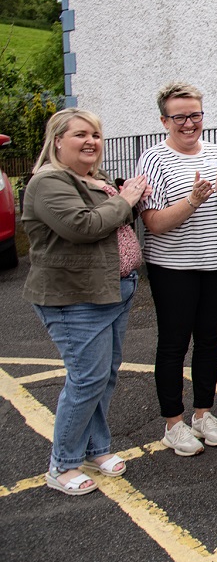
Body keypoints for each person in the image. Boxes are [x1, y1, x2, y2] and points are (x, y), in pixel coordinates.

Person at [23, 109, 150, 494]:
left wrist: (129, 199)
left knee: (104, 375)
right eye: (80, 134)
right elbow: (84, 226)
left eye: (96, 134)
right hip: (74, 297)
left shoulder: (90, 179)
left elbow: (116, 222)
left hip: (113, 290)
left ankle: (96, 447)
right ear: (57, 140)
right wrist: (126, 199)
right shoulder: (48, 183)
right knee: (87, 378)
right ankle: (62, 464)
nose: (91, 141)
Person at [137, 82, 217, 456]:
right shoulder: (153, 159)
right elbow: (154, 223)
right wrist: (193, 200)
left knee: (208, 342)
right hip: (173, 268)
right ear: (164, 120)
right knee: (173, 344)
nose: (188, 123)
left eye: (195, 115)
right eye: (179, 117)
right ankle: (173, 423)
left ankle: (203, 414)